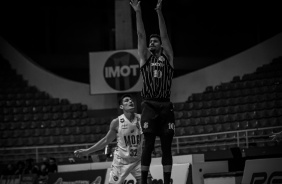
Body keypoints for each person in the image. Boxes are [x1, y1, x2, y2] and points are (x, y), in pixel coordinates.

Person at [130, 0, 175, 184]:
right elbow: (140, 34)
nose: (151, 42)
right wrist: (138, 12)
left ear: (160, 45)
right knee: (147, 145)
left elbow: (165, 36)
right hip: (148, 104)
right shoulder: (145, 59)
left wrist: (159, 13)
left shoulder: (168, 57)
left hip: (165, 105)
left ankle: (166, 181)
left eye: (154, 41)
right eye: (150, 41)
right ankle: (143, 182)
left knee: (166, 146)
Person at [74, 94, 152, 184]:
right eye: (126, 100)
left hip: (138, 160)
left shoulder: (141, 118)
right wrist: (87, 151)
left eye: (131, 100)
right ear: (121, 106)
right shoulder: (116, 122)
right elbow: (106, 140)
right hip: (121, 162)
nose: (130, 101)